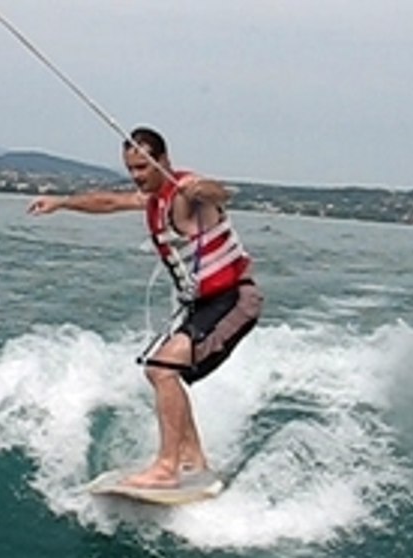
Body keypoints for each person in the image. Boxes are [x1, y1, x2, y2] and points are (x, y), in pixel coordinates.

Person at [28, 127, 262, 488]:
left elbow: (219, 194)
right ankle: (193, 458)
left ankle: (167, 468)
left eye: (143, 167)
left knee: (163, 367)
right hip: (200, 306)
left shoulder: (186, 195)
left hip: (234, 299)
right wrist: (61, 203)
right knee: (159, 370)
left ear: (163, 161)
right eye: (131, 168)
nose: (137, 176)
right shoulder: (154, 199)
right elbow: (108, 202)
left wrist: (202, 189)